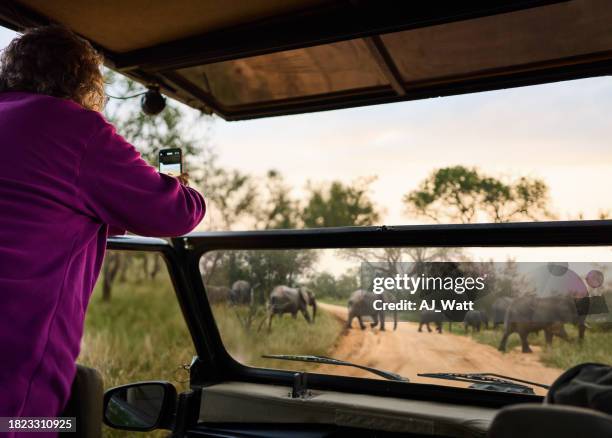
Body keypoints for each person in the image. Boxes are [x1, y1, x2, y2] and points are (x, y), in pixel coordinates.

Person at [0, 25, 206, 424]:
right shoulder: (77, 130)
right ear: (86, 83)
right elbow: (178, 214)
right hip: (14, 369)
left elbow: (37, 207)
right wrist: (181, 188)